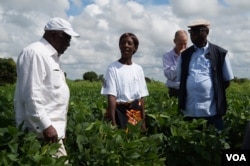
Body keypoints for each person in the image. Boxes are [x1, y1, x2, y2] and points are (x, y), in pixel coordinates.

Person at [14, 17, 79, 158]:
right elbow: (31, 94)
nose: (69, 43)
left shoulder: (51, 57)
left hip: (51, 132)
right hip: (40, 132)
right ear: (53, 35)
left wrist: (60, 131)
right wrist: (46, 126)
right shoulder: (35, 53)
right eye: (66, 37)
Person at [177, 19, 234, 130]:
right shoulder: (184, 55)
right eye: (191, 32)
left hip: (212, 111)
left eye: (198, 31)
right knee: (191, 144)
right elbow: (181, 79)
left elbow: (226, 81)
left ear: (206, 32)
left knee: (215, 143)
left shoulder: (220, 53)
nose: (194, 35)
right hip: (190, 110)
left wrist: (211, 91)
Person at [101, 32, 149, 130]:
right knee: (120, 140)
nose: (125, 46)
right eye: (123, 43)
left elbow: (141, 98)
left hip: (135, 112)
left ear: (135, 48)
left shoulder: (138, 69)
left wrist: (143, 121)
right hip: (119, 111)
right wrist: (113, 122)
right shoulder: (112, 68)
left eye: (129, 43)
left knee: (135, 140)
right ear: (119, 46)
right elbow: (111, 96)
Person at [162, 30, 188, 98]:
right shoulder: (167, 55)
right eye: (180, 44)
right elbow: (170, 75)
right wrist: (180, 59)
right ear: (174, 41)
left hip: (188, 91)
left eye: (185, 44)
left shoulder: (191, 54)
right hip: (174, 91)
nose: (183, 47)